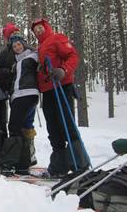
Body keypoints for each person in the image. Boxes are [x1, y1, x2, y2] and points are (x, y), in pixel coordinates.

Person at [31, 18, 89, 177]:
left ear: (46, 27)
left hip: (61, 86)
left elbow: (73, 56)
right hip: (48, 91)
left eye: (40, 28)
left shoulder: (57, 38)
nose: (38, 31)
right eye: (35, 30)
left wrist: (63, 70)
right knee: (53, 129)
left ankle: (80, 165)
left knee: (67, 125)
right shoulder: (40, 47)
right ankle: (59, 166)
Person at [0, 22, 38, 166]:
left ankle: (24, 158)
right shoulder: (4, 54)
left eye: (16, 34)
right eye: (11, 35)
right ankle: (22, 159)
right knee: (17, 126)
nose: (16, 44)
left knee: (24, 126)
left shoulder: (31, 53)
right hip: (14, 92)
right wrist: (7, 77)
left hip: (27, 92)